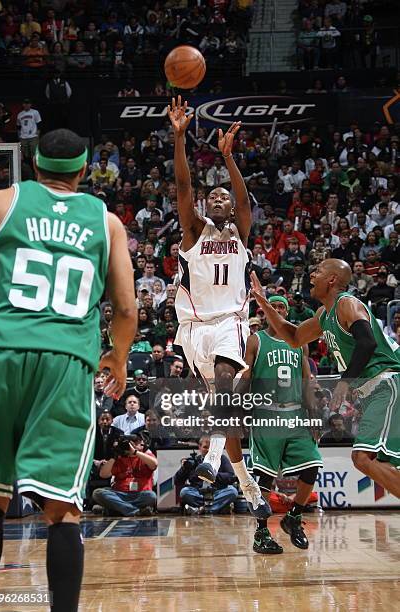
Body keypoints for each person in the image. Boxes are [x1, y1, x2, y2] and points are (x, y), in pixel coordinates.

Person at [0, 128, 137, 612]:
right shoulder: (106, 220)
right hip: (66, 363)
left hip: (0, 352)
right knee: (63, 510)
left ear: (33, 165)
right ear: (82, 169)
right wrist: (116, 356)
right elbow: (126, 308)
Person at [168, 96, 270, 520]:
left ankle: (211, 461)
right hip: (194, 329)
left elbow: (246, 203)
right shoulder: (192, 232)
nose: (217, 199)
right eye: (212, 196)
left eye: (223, 197)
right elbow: (183, 187)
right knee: (222, 405)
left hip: (229, 321)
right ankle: (246, 483)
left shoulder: (240, 232)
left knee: (226, 385)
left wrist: (229, 160)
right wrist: (179, 138)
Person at [250, 259, 400, 497]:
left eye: (317, 271)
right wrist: (263, 302)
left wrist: (344, 381)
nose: (311, 275)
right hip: (374, 391)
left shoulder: (347, 304)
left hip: (387, 384)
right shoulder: (324, 314)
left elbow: (367, 342)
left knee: (362, 457)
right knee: (378, 462)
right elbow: (294, 337)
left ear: (331, 280)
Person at [240, 295, 322, 554]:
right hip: (266, 415)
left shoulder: (300, 342)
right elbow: (246, 377)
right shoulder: (256, 340)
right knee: (265, 477)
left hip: (295, 414)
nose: (277, 310)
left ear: (286, 311)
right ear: (263, 313)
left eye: (281, 307)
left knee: (312, 467)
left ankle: (293, 516)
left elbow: (307, 382)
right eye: (272, 307)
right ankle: (262, 532)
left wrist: (314, 416)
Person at [92, 434, 157, 516]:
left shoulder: (146, 456)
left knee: (151, 496)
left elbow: (154, 464)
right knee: (97, 493)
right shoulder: (119, 459)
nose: (131, 446)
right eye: (130, 444)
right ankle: (135, 511)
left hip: (140, 494)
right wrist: (114, 456)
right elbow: (103, 475)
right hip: (119, 494)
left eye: (136, 443)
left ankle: (114, 509)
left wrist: (135, 452)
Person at [174, 437, 238, 515]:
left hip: (217, 491)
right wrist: (184, 469)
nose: (208, 450)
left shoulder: (222, 459)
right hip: (198, 492)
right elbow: (177, 481)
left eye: (211, 448)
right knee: (184, 492)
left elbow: (231, 476)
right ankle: (214, 508)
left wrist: (212, 474)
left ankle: (203, 509)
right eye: (205, 447)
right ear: (199, 448)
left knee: (232, 491)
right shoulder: (193, 461)